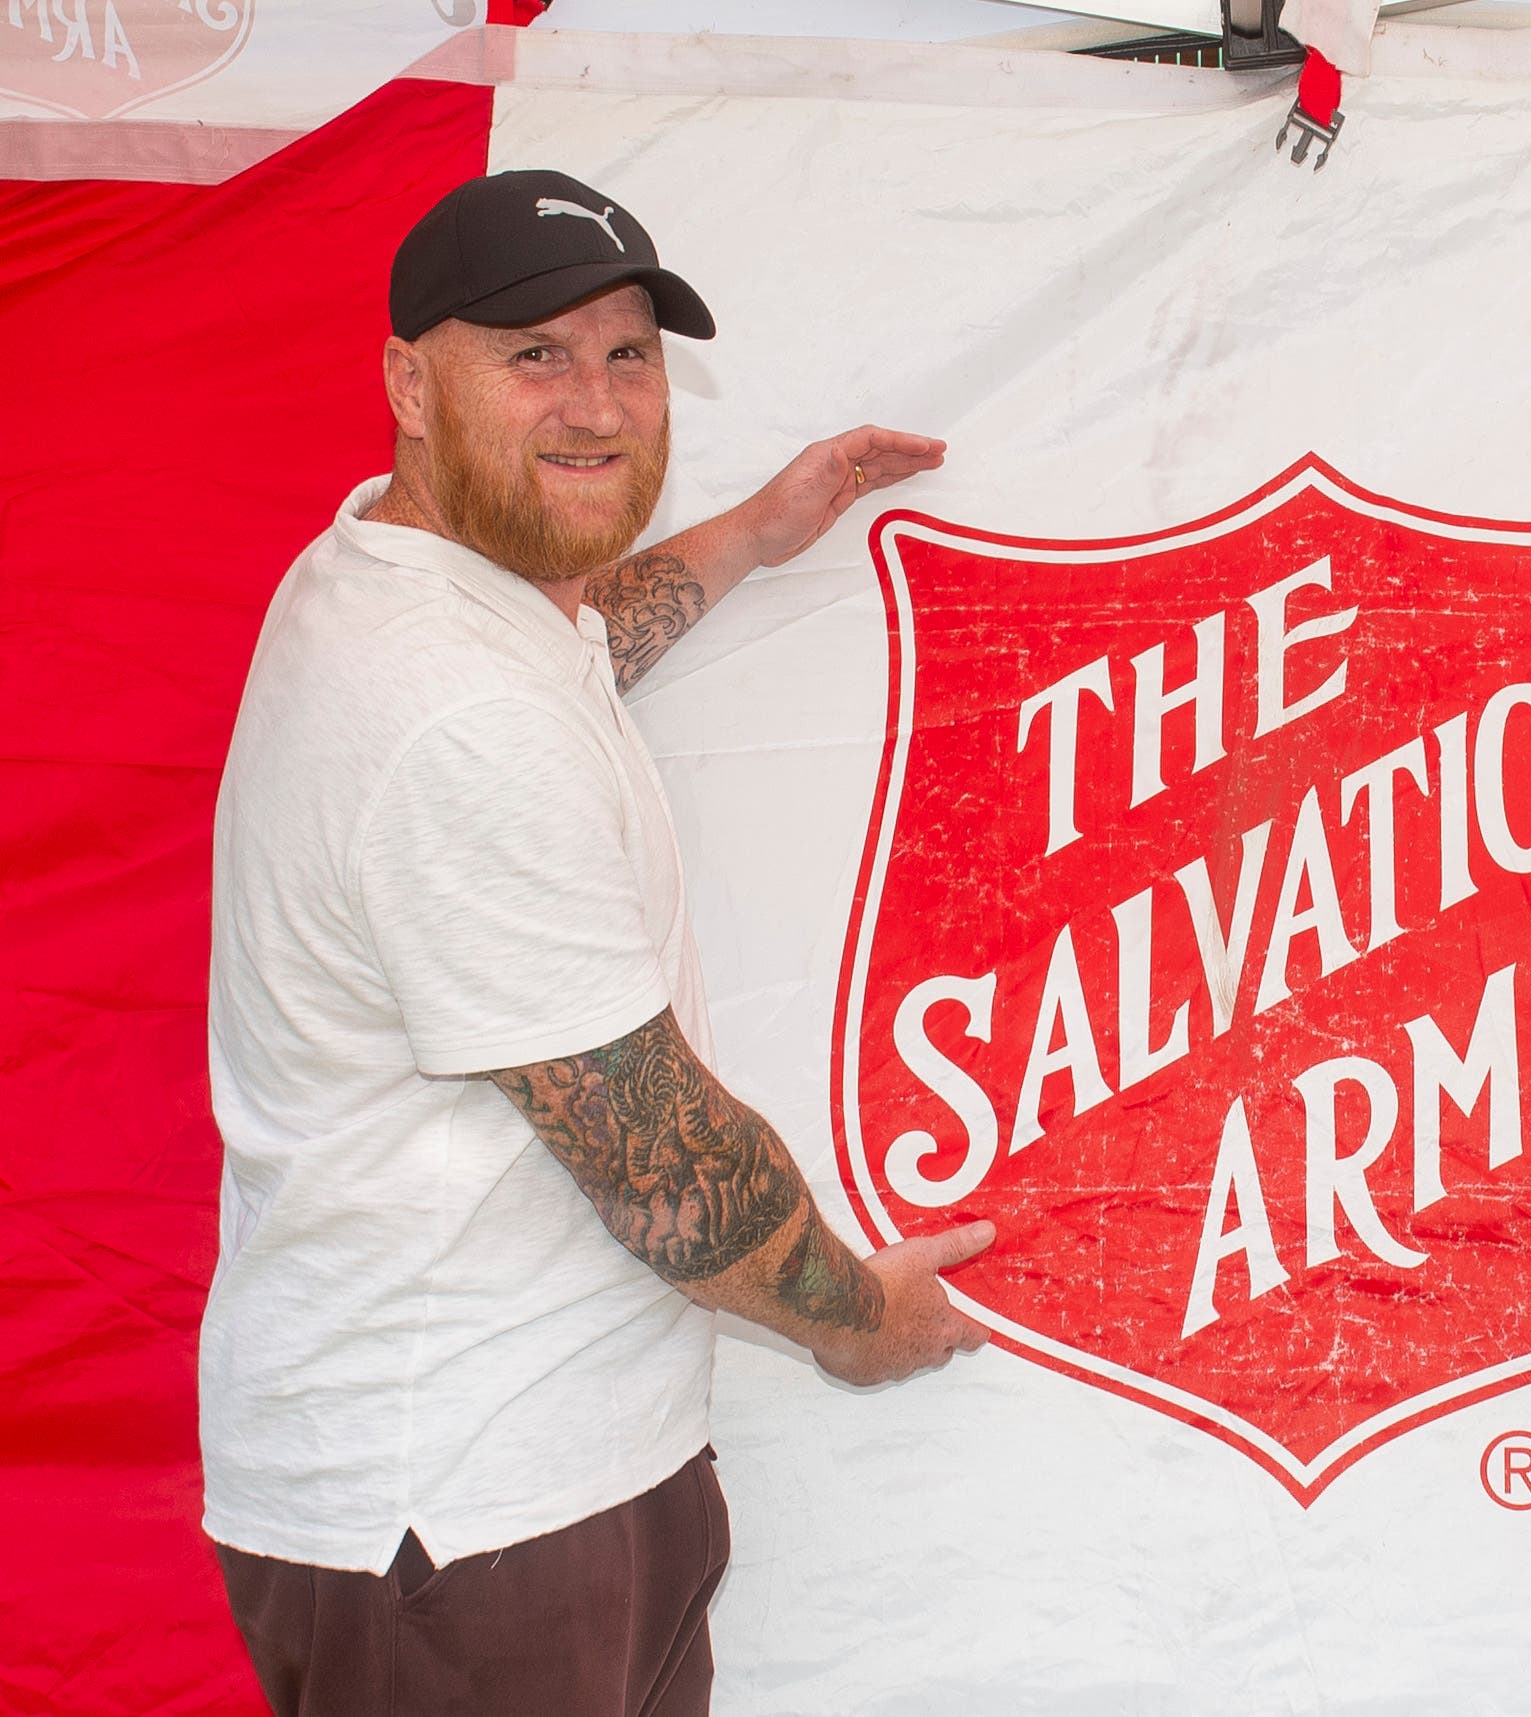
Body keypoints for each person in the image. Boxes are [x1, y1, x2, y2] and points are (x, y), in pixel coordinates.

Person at [200, 169, 990, 1716]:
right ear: (408, 383)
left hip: (509, 1486)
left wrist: (755, 536)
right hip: (468, 1525)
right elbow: (668, 1174)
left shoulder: (401, 575)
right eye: (535, 354)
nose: (598, 402)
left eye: (628, 353)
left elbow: (572, 642)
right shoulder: (456, 720)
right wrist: (867, 1319)